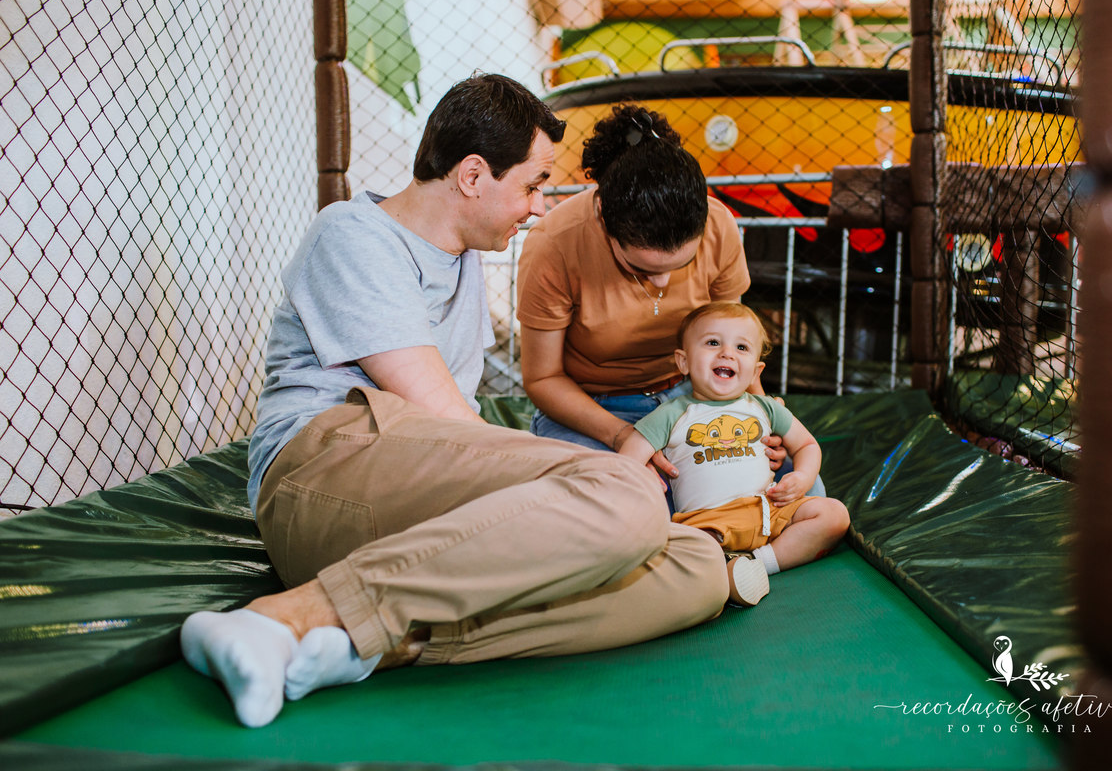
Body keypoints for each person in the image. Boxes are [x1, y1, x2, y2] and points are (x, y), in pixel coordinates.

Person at [179, 74, 729, 729]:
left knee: (698, 567)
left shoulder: (462, 257)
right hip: (323, 474)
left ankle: (368, 645)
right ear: (472, 176)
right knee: (624, 495)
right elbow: (440, 415)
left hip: (419, 523)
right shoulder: (352, 232)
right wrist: (576, 484)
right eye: (532, 184)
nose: (538, 206)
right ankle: (285, 618)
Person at [517, 104, 824, 498]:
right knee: (629, 504)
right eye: (640, 267)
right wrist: (626, 437)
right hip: (594, 410)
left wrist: (757, 413)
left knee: (803, 491)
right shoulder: (554, 245)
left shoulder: (720, 225)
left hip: (697, 395)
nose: (662, 281)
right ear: (604, 219)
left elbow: (735, 337)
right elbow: (543, 378)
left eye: (682, 263)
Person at [618, 302, 850, 607]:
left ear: (755, 370)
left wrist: (803, 477)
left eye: (741, 347)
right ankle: (726, 570)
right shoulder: (671, 414)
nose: (727, 353)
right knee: (676, 554)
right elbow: (626, 462)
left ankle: (760, 564)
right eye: (713, 343)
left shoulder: (765, 407)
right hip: (707, 524)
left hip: (769, 511)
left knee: (834, 515)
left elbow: (806, 445)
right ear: (683, 362)